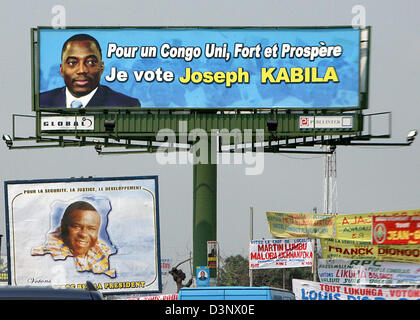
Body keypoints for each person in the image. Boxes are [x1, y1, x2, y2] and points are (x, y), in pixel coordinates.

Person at [40, 33, 140, 108]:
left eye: (91, 62)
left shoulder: (125, 105)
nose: (82, 70)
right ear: (61, 70)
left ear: (101, 68)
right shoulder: (42, 101)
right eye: (72, 63)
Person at [31, 200, 116, 278]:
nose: (83, 234)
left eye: (91, 228)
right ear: (63, 226)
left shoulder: (102, 250)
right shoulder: (44, 255)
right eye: (76, 227)